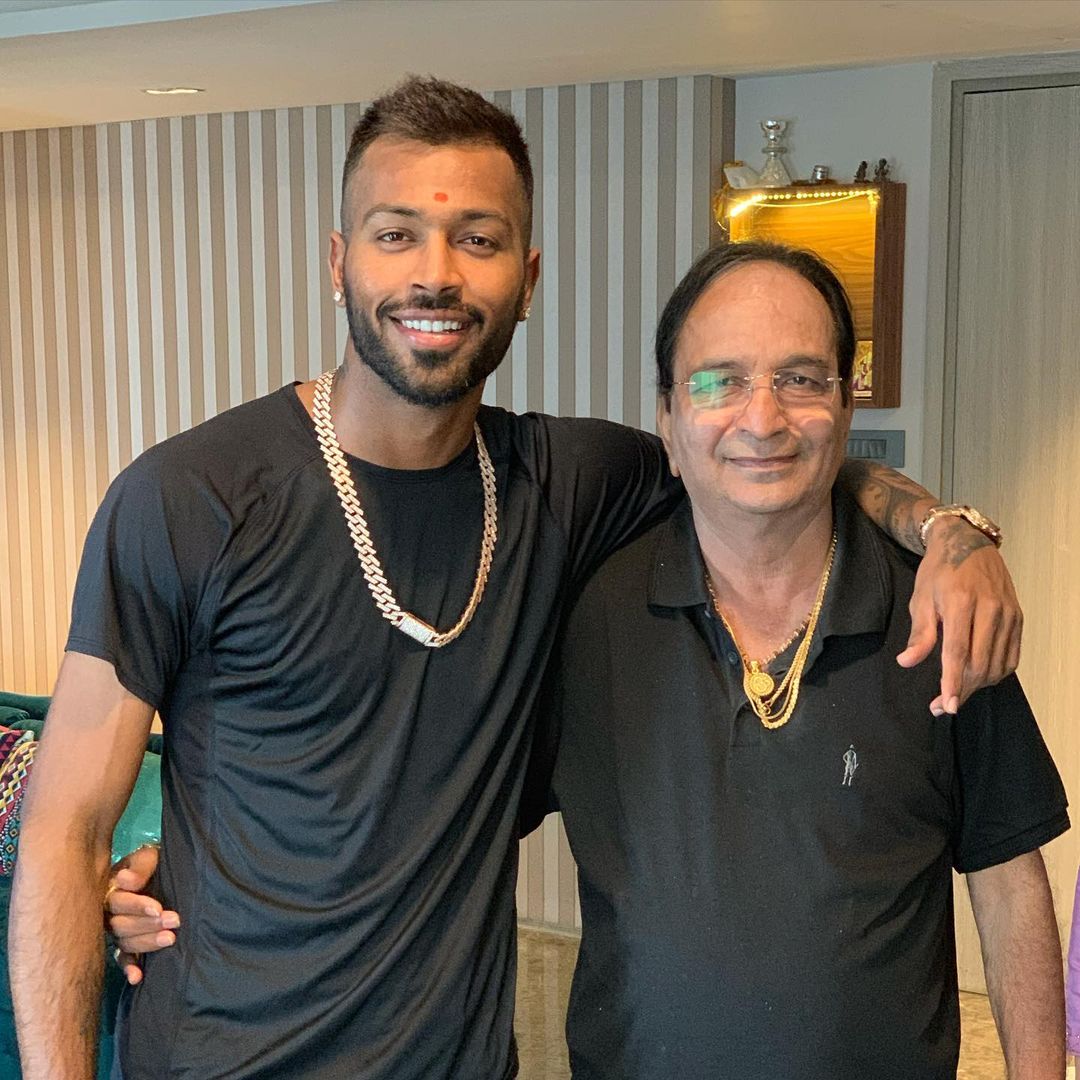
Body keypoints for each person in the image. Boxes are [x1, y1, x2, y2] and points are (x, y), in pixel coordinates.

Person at [12, 78, 1021, 1080]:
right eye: (396, 234)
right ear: (338, 262)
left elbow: (763, 456)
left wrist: (946, 530)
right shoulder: (190, 497)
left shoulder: (570, 483)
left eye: (479, 239)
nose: (436, 274)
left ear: (527, 279)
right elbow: (65, 833)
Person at [539, 242, 1067, 1079]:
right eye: (720, 382)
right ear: (667, 421)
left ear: (846, 408)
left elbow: (1007, 878)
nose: (762, 418)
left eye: (800, 379)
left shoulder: (935, 614)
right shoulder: (585, 615)